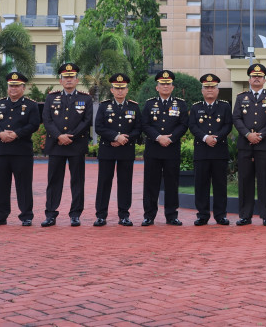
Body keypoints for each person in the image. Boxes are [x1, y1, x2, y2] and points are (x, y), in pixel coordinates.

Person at [41, 63, 93, 227]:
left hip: (76, 144)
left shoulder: (86, 98)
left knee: (77, 181)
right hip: (56, 145)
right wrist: (59, 136)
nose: (69, 80)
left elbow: (87, 120)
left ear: (77, 80)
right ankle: (50, 214)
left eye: (72, 77)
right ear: (60, 80)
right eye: (66, 77)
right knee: (54, 181)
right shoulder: (51, 97)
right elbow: (47, 120)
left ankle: (75, 214)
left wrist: (71, 136)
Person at [0, 72, 41, 227]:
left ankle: (26, 216)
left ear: (23, 87)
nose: (13, 89)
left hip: (22, 151)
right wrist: (0, 133)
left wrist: (16, 134)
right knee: (0, 184)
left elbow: (34, 125)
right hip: (2, 150)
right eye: (11, 86)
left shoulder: (31, 105)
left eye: (17, 86)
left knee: (23, 184)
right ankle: (0, 215)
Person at [232, 63, 266, 226]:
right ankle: (245, 215)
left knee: (265, 180)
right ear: (249, 79)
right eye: (254, 76)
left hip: (263, 144)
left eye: (260, 76)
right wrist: (248, 134)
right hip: (245, 145)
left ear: (264, 79)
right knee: (245, 180)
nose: (257, 78)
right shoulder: (241, 98)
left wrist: (260, 135)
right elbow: (236, 118)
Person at [141, 70, 189, 226]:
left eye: (168, 84)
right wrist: (158, 137)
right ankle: (149, 215)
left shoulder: (180, 104)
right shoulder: (149, 104)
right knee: (150, 183)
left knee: (172, 183)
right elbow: (145, 124)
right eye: (162, 84)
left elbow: (183, 124)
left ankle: (171, 215)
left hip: (171, 148)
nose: (165, 86)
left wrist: (171, 138)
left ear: (173, 87)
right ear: (157, 87)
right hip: (153, 149)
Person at [93, 73, 141, 227]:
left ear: (127, 90)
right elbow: (99, 127)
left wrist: (124, 139)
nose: (120, 91)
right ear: (112, 90)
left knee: (125, 183)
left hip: (126, 150)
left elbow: (139, 128)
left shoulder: (134, 107)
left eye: (123, 88)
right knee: (104, 183)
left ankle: (124, 215)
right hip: (108, 149)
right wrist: (115, 137)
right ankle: (101, 215)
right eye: (117, 88)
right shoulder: (104, 106)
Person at [189, 73, 233, 226]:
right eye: (206, 87)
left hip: (219, 151)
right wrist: (205, 138)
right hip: (202, 152)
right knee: (201, 185)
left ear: (217, 90)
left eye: (212, 87)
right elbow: (192, 126)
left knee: (220, 185)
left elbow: (228, 125)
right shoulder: (196, 107)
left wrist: (216, 138)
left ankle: (220, 215)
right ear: (202, 90)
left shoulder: (225, 106)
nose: (209, 90)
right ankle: (202, 215)